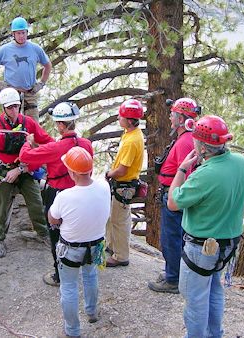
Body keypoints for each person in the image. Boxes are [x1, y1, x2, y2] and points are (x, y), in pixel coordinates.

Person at [167, 115, 244, 338]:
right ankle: (214, 334)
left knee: (195, 299)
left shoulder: (204, 175)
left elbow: (172, 203)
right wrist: (232, 216)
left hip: (201, 247)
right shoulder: (242, 162)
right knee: (214, 290)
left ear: (200, 146)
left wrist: (181, 170)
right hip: (228, 243)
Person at [0, 87, 54, 258]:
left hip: (23, 168)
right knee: (0, 203)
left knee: (36, 201)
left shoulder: (28, 123)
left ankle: (42, 233)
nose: (14, 110)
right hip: (1, 168)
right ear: (3, 108)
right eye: (10, 107)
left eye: (16, 106)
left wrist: (60, 148)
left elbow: (46, 140)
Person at [19, 102, 93, 287]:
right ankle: (83, 263)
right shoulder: (86, 144)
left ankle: (60, 275)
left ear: (61, 125)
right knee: (78, 231)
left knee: (57, 235)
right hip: (81, 194)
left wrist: (27, 144)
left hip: (57, 194)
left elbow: (26, 158)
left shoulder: (56, 148)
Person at [48, 147, 110, 338]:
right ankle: (92, 312)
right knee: (90, 276)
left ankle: (73, 330)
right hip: (96, 244)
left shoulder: (64, 196)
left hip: (71, 248)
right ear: (90, 170)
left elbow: (53, 219)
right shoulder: (104, 186)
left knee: (69, 287)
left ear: (72, 172)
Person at [148, 98, 200, 294]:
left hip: (173, 198)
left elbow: (187, 176)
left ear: (180, 118)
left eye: (172, 114)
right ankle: (173, 272)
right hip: (171, 196)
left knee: (172, 239)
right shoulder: (185, 139)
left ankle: (173, 279)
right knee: (171, 238)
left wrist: (175, 200)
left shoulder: (186, 141)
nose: (170, 117)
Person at [0, 17, 52, 121]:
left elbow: (48, 65)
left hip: (30, 92)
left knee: (33, 124)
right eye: (18, 33)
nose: (21, 36)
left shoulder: (35, 48)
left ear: (27, 32)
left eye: (23, 33)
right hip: (11, 92)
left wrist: (41, 83)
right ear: (13, 34)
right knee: (10, 123)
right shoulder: (5, 49)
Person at [105, 99, 145, 267]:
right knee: (113, 217)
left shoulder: (131, 141)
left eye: (121, 116)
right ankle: (112, 245)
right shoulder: (131, 133)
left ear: (129, 120)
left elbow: (122, 170)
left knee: (119, 221)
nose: (118, 118)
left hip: (124, 184)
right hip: (122, 185)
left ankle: (121, 256)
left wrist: (109, 173)